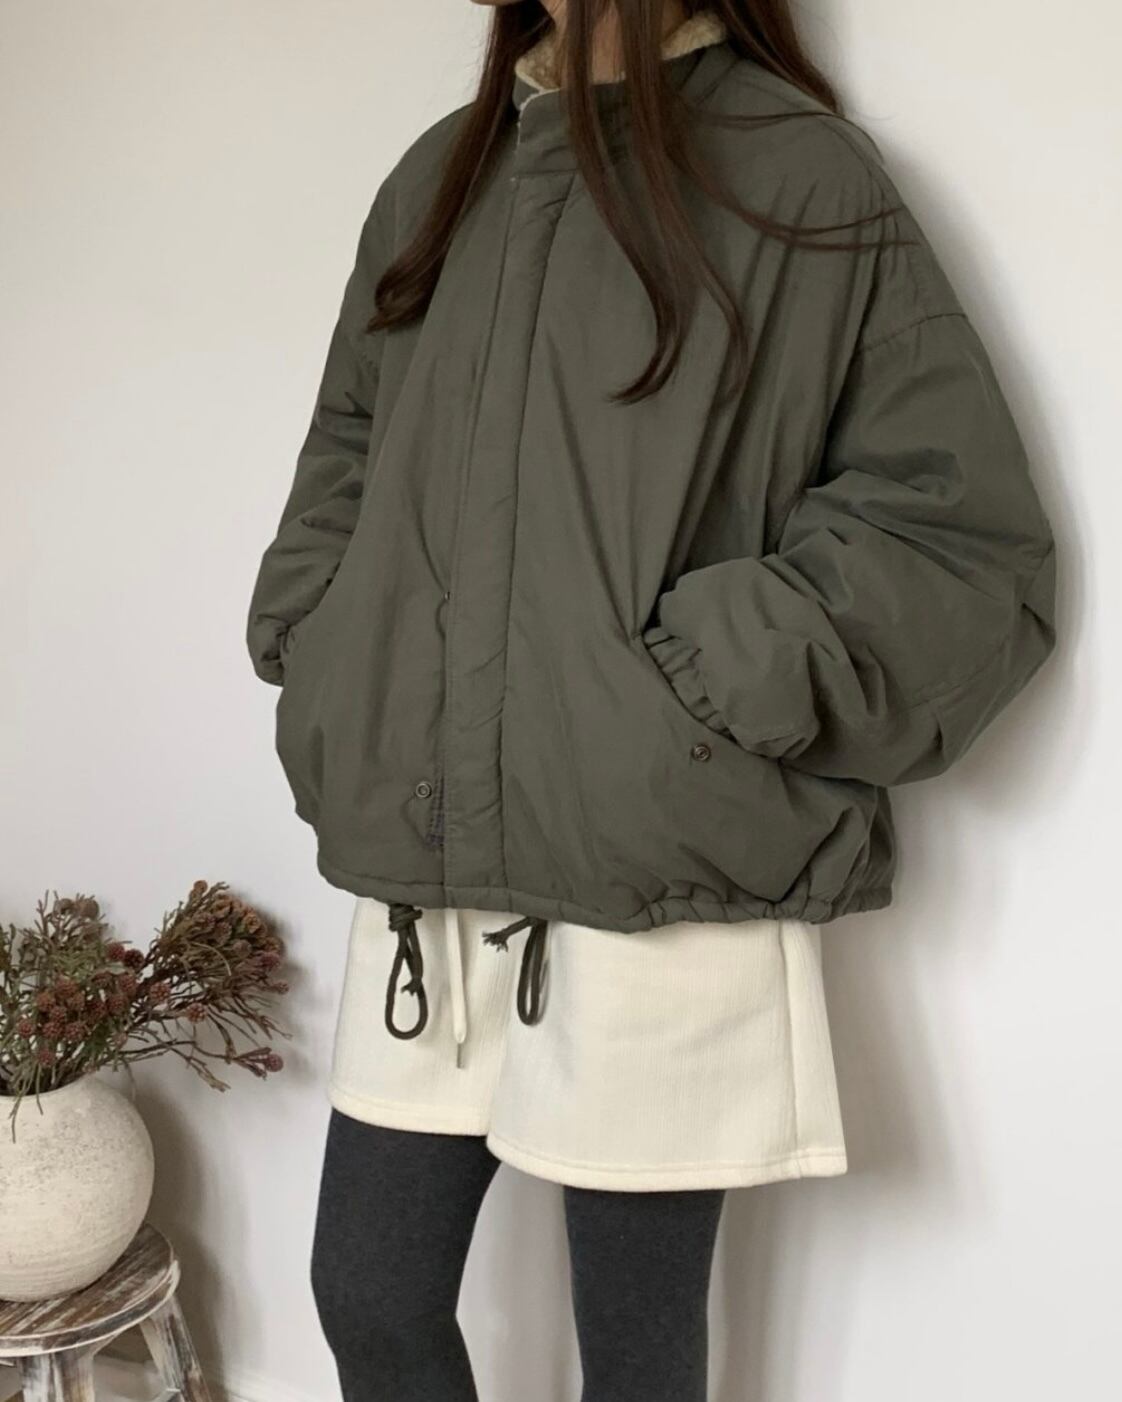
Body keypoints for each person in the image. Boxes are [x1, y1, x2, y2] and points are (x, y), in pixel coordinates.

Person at [245, 2, 1057, 1398]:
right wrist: (323, 643)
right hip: (430, 867)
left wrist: (697, 675)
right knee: (368, 1293)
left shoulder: (797, 173)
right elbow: (346, 461)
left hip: (657, 863)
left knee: (632, 1357)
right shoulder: (440, 175)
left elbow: (958, 532)